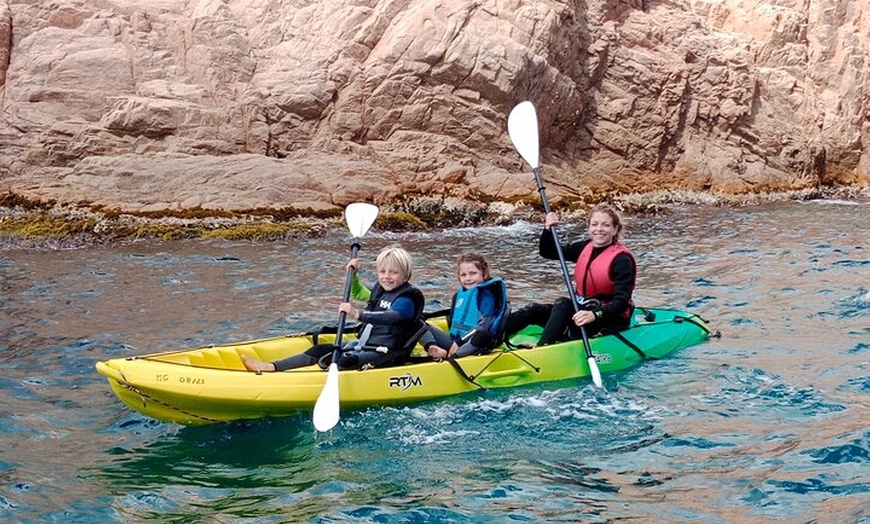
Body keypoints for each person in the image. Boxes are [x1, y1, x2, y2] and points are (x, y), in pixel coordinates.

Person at [242, 246, 425, 372]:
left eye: (393, 272)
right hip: (364, 345)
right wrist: (353, 275)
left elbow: (391, 317)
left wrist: (357, 314)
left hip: (387, 354)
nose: (387, 277)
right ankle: (271, 367)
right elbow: (358, 292)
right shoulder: (381, 291)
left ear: (405, 275)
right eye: (382, 272)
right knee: (320, 350)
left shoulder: (406, 299)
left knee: (342, 360)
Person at [504, 203, 636, 347]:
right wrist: (548, 230)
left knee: (563, 304)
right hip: (581, 313)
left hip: (607, 319)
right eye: (594, 224)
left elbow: (621, 302)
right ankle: (488, 339)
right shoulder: (583, 248)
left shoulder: (622, 260)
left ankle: (542, 347)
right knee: (533, 309)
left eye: (605, 225)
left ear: (615, 229)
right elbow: (548, 252)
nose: (599, 229)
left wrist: (594, 314)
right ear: (589, 227)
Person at [421, 252, 509, 360]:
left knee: (482, 335)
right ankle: (433, 349)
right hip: (454, 342)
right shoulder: (458, 295)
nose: (468, 278)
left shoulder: (486, 297)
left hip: (473, 343)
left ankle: (452, 359)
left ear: (484, 273)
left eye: (473, 273)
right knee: (419, 325)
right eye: (463, 275)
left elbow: (483, 326)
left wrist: (459, 342)